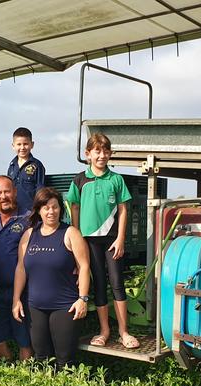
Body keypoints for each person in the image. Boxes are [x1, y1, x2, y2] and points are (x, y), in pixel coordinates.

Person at [66, 133, 139, 349]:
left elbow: (124, 209)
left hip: (111, 241)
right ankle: (104, 331)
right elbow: (74, 209)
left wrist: (121, 238)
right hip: (89, 241)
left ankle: (124, 332)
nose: (102, 155)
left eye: (106, 151)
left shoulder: (116, 180)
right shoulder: (80, 180)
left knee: (117, 283)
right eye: (97, 151)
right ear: (88, 154)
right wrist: (76, 238)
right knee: (98, 285)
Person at [13, 187, 90, 370]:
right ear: (38, 210)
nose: (51, 212)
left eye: (55, 207)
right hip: (35, 307)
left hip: (65, 306)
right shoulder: (29, 235)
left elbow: (84, 266)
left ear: (60, 209)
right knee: (41, 358)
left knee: (65, 361)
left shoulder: (71, 233)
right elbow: (21, 268)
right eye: (46, 207)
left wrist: (83, 299)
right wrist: (16, 299)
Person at [0, 175, 32, 361]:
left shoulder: (28, 219)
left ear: (15, 192)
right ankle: (11, 371)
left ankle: (27, 377)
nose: (4, 196)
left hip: (21, 291)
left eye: (7, 191)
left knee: (25, 341)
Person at [7, 127, 45, 214]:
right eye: (19, 144)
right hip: (14, 212)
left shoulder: (37, 165)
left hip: (31, 213)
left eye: (25, 144)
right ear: (13, 146)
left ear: (32, 144)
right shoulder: (12, 165)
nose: (22, 147)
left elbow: (40, 191)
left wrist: (37, 211)